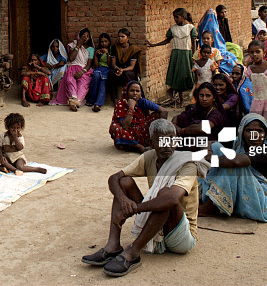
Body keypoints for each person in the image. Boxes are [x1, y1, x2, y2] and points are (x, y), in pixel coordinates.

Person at [81, 119, 208, 278]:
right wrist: (124, 200)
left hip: (181, 237)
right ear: (151, 142)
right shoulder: (150, 157)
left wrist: (136, 208)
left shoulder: (187, 164)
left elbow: (172, 199)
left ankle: (133, 252)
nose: (167, 145)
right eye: (161, 141)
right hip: (156, 222)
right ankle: (112, 245)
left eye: (170, 139)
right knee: (124, 182)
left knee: (165, 196)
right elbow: (114, 178)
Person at [198, 114, 267, 222]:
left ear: (265, 134)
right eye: (249, 131)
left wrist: (211, 159)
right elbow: (212, 143)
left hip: (263, 201)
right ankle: (202, 193)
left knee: (233, 165)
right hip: (246, 192)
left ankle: (211, 207)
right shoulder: (239, 144)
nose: (254, 135)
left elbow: (236, 161)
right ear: (242, 133)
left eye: (259, 131)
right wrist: (209, 151)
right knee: (216, 148)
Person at [148, 8, 197, 106]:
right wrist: (154, 45)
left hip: (186, 54)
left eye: (177, 17)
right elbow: (167, 40)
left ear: (183, 17)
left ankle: (175, 93)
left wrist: (194, 57)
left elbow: (194, 43)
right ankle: (180, 98)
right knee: (177, 75)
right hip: (176, 54)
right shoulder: (173, 29)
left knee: (185, 76)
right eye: (174, 17)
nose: (175, 19)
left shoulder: (190, 28)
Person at [109, 80, 168, 153]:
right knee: (115, 127)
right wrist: (131, 107)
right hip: (129, 132)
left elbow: (164, 111)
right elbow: (125, 126)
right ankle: (139, 147)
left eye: (137, 91)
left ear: (141, 93)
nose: (135, 93)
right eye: (132, 91)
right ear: (127, 92)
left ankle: (154, 143)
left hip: (143, 131)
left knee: (158, 114)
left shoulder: (142, 102)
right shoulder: (121, 104)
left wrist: (161, 134)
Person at [50, 28, 94, 111]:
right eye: (83, 36)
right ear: (79, 37)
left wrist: (82, 72)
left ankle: (77, 101)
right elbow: (71, 58)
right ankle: (73, 98)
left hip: (83, 69)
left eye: (87, 36)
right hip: (72, 67)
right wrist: (78, 45)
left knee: (84, 83)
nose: (85, 38)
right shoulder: (72, 45)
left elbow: (89, 64)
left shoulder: (90, 49)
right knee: (70, 80)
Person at [174, 83, 227, 147]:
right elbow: (176, 118)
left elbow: (203, 128)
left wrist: (181, 131)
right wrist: (174, 126)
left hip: (213, 145)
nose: (204, 99)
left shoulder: (216, 113)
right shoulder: (197, 109)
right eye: (201, 95)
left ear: (214, 98)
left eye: (208, 96)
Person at [108, 28, 141, 102]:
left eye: (123, 37)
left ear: (128, 38)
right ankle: (115, 99)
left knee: (127, 74)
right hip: (118, 70)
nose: (120, 38)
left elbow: (132, 67)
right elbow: (113, 63)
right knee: (111, 73)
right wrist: (117, 69)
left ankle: (128, 98)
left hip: (129, 71)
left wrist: (123, 70)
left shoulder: (133, 49)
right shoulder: (115, 48)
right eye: (119, 36)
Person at [86, 33, 112, 112]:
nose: (103, 44)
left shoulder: (111, 50)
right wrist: (96, 55)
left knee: (103, 82)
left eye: (105, 41)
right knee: (96, 75)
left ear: (109, 42)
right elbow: (96, 66)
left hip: (107, 69)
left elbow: (110, 65)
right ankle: (91, 99)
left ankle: (97, 104)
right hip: (99, 69)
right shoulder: (97, 51)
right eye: (102, 42)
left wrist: (107, 54)